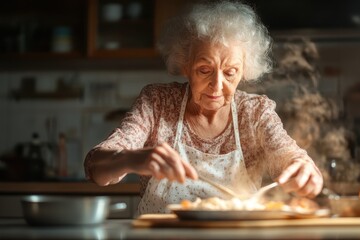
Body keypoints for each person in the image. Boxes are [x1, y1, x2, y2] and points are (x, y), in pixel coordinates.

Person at [84, 0, 323, 214]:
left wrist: (305, 171)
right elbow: (95, 167)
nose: (216, 86)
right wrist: (130, 159)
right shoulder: (157, 103)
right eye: (204, 70)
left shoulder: (255, 113)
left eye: (230, 72)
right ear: (185, 64)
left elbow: (291, 157)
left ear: (244, 71)